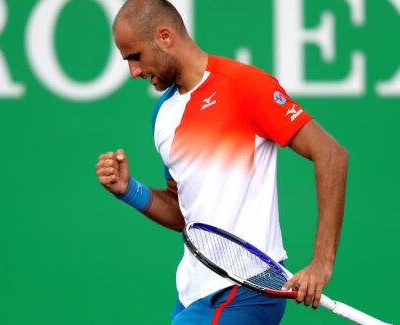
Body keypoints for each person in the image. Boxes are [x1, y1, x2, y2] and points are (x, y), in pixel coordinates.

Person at [95, 0, 348, 324]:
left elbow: (331, 155)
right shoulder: (163, 115)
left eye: (135, 56)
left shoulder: (245, 86)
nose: (134, 72)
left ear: (164, 37)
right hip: (193, 297)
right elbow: (183, 215)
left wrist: (321, 263)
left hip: (247, 291)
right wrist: (129, 190)